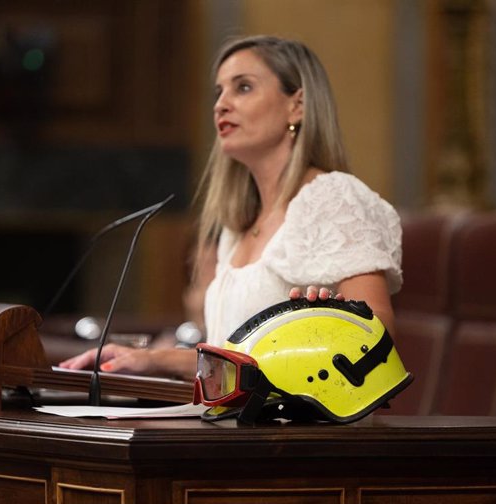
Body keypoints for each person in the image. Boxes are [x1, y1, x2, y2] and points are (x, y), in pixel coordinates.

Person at [59, 35, 402, 380]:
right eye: (218, 92)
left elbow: (373, 336)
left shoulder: (334, 199)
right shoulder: (237, 226)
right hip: (232, 426)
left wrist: (323, 328)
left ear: (297, 105)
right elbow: (231, 363)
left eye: (243, 87)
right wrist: (148, 359)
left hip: (302, 431)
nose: (221, 104)